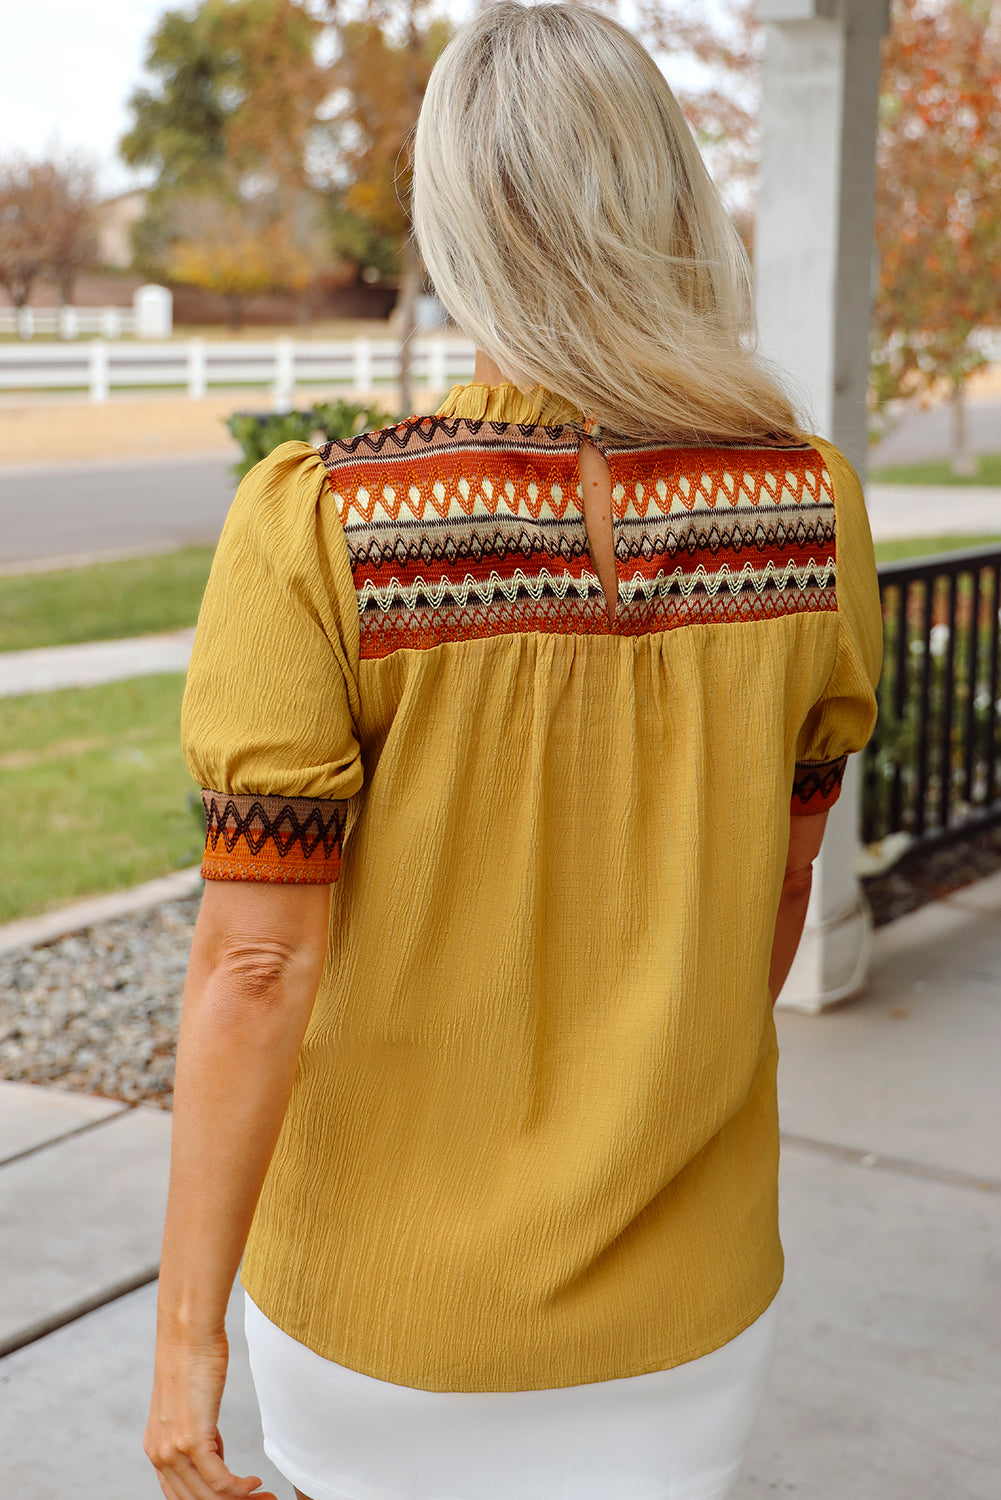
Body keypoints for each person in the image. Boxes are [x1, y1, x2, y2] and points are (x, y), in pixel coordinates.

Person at [144, 5, 883, 1499]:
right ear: (668, 201)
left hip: (382, 1321)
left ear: (453, 223)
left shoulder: (327, 525)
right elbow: (781, 886)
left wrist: (183, 1335)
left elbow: (256, 966)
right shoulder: (807, 512)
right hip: (684, 1306)